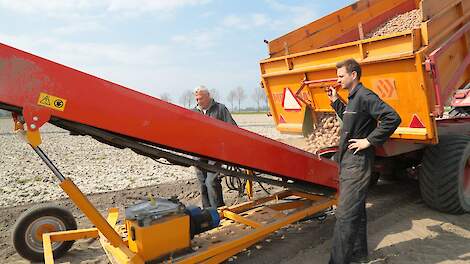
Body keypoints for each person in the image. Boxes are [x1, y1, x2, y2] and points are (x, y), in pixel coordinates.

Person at [327, 59, 401, 264]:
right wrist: (335, 102)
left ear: (354, 75)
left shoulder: (366, 96)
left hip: (357, 164)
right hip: (348, 162)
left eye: (341, 76)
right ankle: (359, 254)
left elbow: (392, 118)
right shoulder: (353, 98)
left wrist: (369, 141)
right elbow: (351, 119)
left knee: (345, 215)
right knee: (356, 210)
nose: (338, 80)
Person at [192, 85, 237, 208]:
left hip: (216, 153)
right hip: (199, 153)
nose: (198, 101)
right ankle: (207, 212)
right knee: (202, 183)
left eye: (200, 98)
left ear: (208, 96)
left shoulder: (220, 109)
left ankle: (218, 210)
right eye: (196, 99)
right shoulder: (193, 112)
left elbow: (233, 129)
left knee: (211, 181)